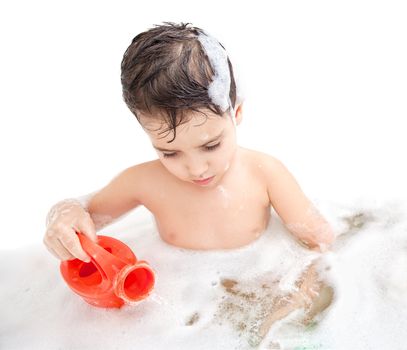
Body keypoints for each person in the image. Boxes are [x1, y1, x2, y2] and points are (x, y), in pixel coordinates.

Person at [44, 22, 335, 329]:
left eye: (211, 145)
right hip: (183, 307)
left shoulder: (264, 173)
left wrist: (303, 284)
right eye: (169, 153)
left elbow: (320, 239)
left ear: (236, 113)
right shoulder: (143, 183)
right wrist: (62, 218)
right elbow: (84, 213)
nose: (196, 169)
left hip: (263, 285)